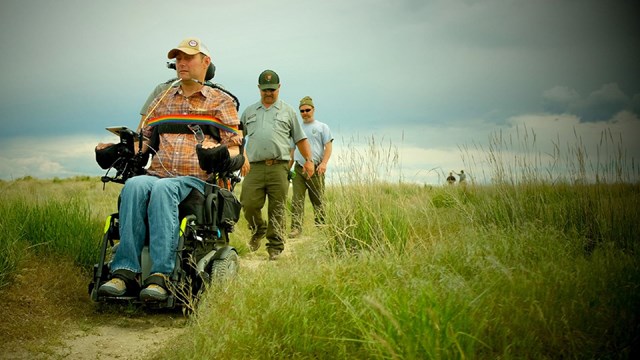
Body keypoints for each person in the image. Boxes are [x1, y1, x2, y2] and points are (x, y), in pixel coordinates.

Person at [96, 37, 243, 301]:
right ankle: (124, 271)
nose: (182, 63)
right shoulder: (163, 99)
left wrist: (220, 155)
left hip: (197, 179)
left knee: (164, 188)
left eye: (188, 58)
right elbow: (145, 142)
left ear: (205, 62)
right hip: (159, 174)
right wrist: (119, 148)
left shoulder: (221, 102)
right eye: (178, 59)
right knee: (135, 185)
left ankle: (162, 275)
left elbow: (236, 148)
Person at [240, 70, 314, 260]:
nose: (268, 93)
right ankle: (258, 229)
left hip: (279, 167)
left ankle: (275, 248)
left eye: (272, 89)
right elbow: (237, 138)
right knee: (248, 203)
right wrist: (241, 157)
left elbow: (300, 138)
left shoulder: (288, 111)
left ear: (279, 88)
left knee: (277, 207)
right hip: (254, 167)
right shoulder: (249, 112)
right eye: (265, 90)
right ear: (259, 89)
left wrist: (309, 160)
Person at [288, 96, 333, 238]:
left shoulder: (322, 127)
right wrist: (287, 169)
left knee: (318, 199)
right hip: (299, 168)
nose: (305, 113)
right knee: (297, 200)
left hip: (316, 168)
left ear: (313, 110)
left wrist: (324, 163)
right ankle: (296, 228)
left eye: (307, 110)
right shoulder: (297, 129)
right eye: (302, 111)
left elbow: (328, 147)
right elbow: (292, 150)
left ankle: (321, 227)